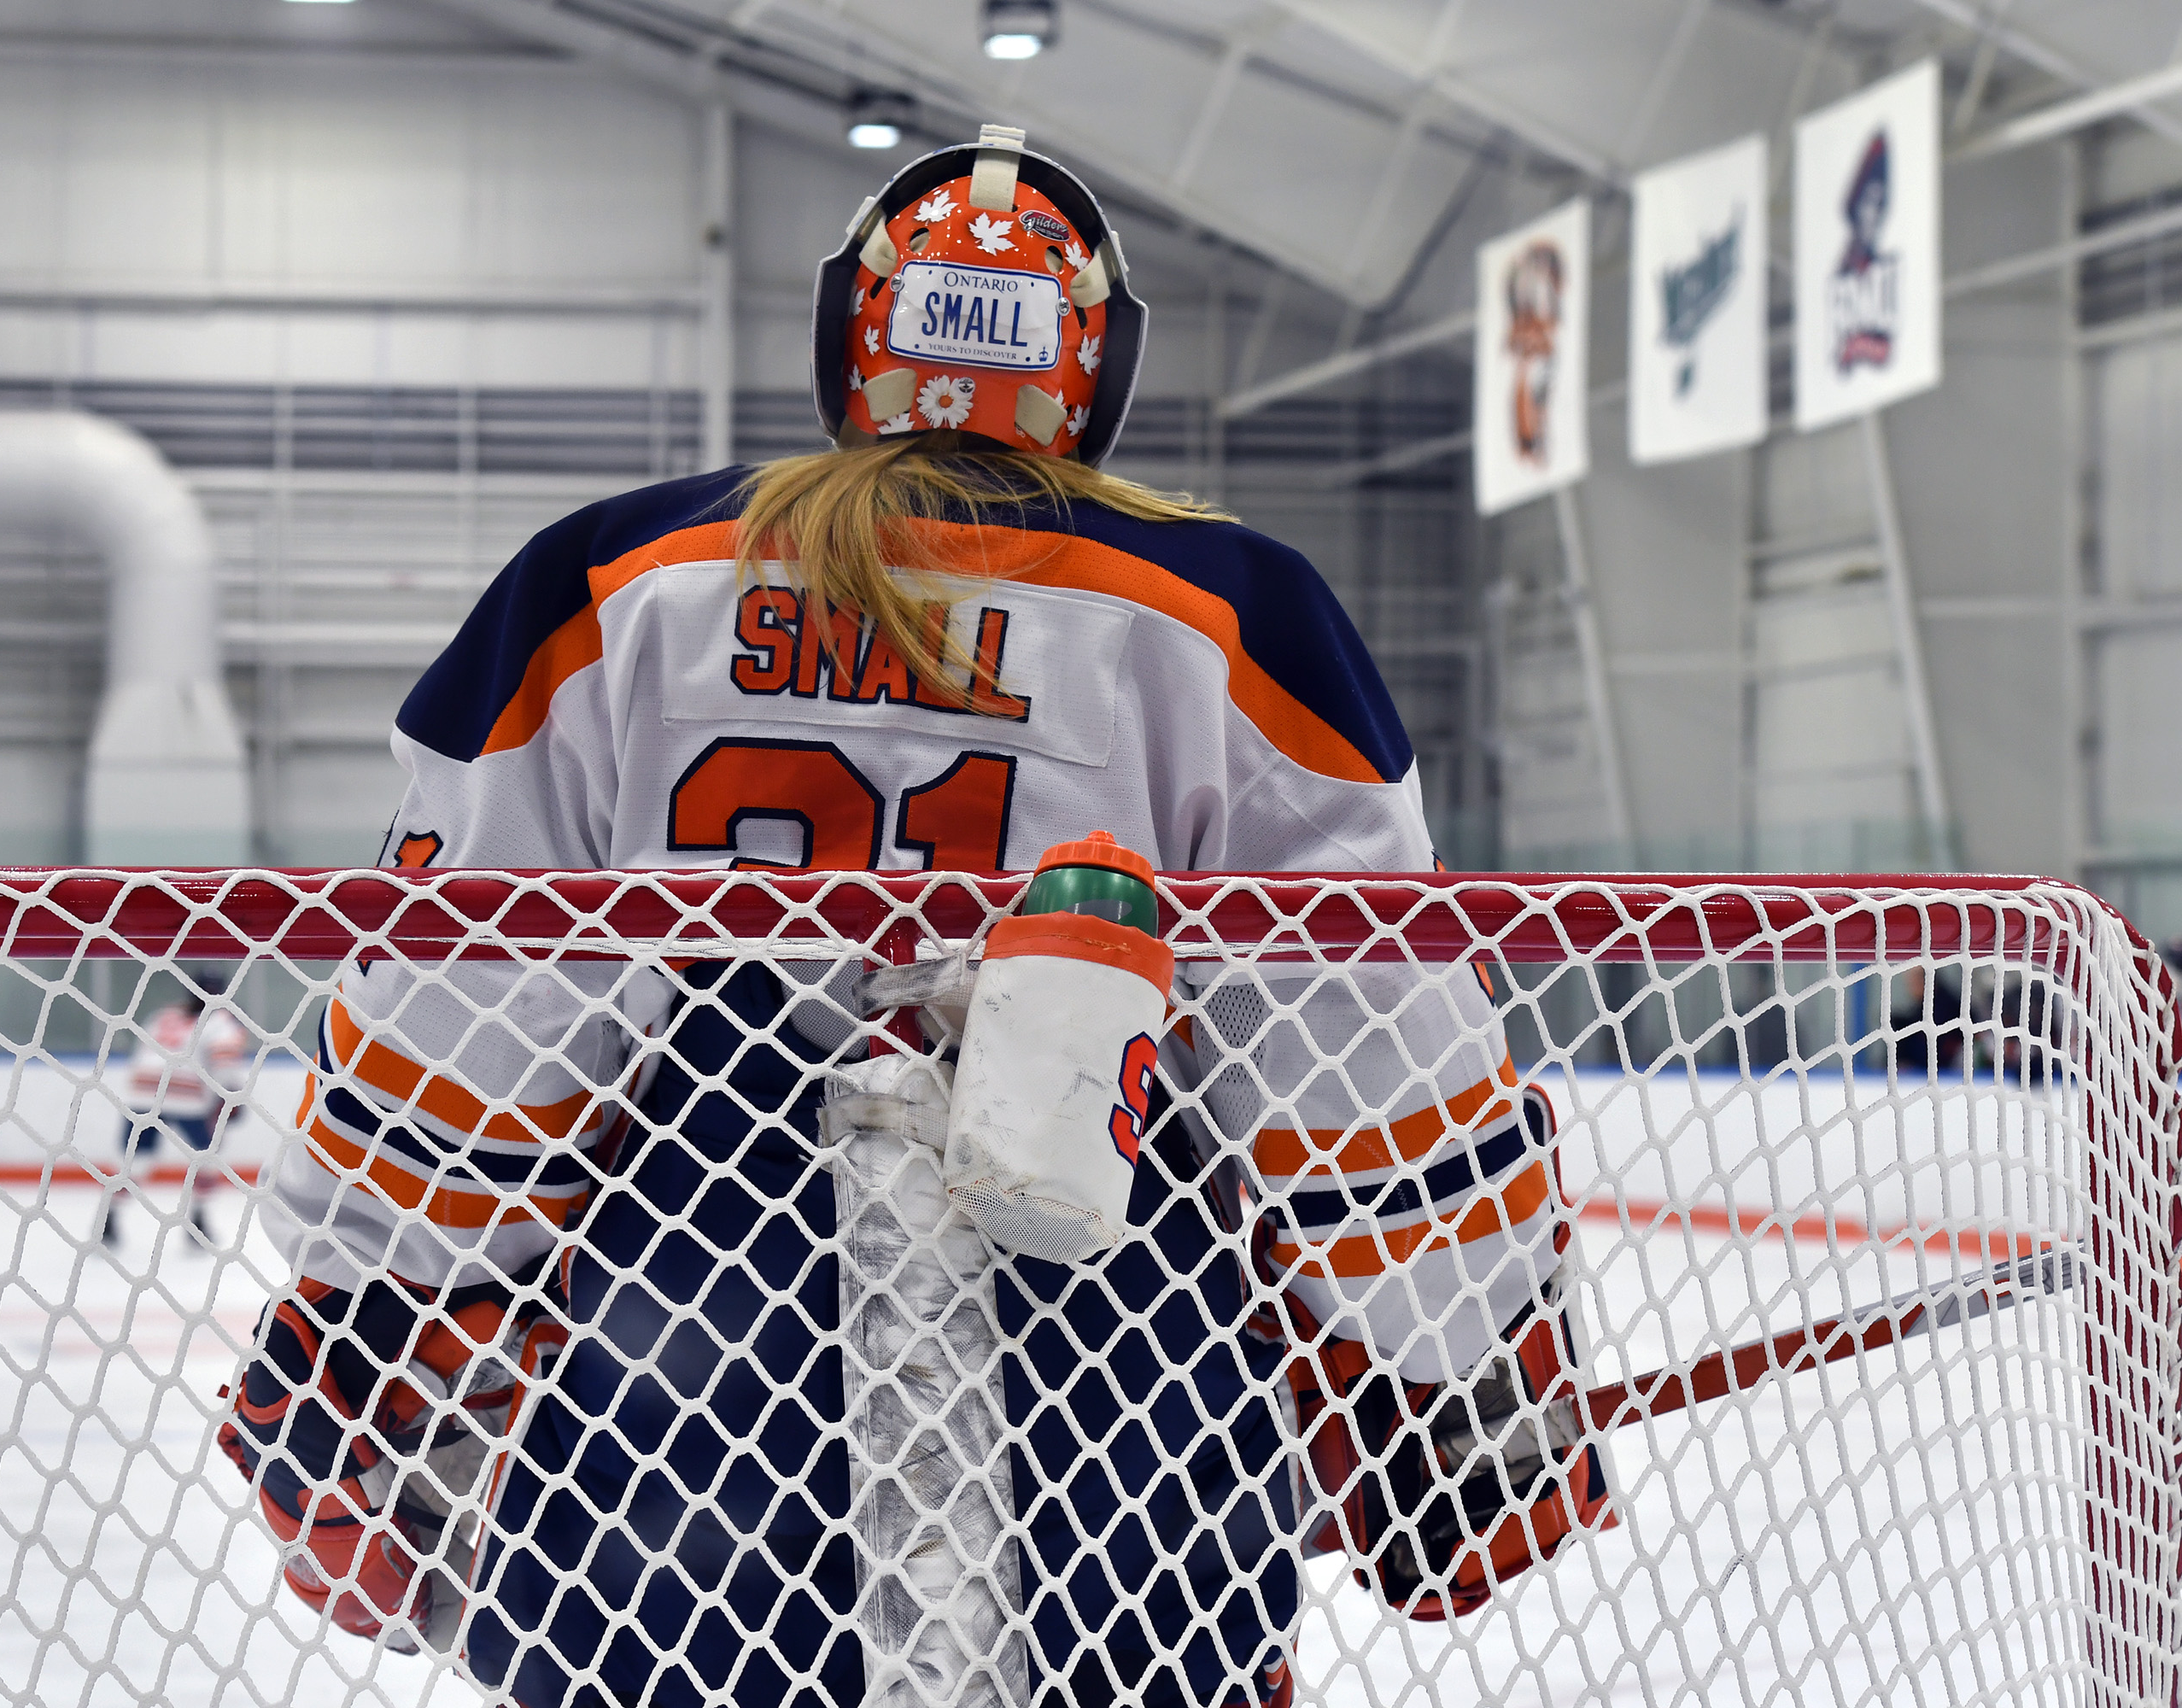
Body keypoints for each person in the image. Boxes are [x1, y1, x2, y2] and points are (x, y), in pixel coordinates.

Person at [218, 124, 1600, 1708]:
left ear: (844, 341)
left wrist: (374, 1341)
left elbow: (457, 1025)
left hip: (695, 1403)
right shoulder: (1238, 618)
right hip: (1118, 1416)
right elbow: (1364, 1057)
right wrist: (1451, 1381)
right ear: (1099, 371)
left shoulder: (605, 584)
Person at [105, 971, 250, 1251]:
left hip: (142, 1093)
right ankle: (198, 1221)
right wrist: (231, 1098)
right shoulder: (221, 1021)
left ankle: (108, 1220)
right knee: (207, 1158)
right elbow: (225, 1065)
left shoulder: (163, 1015)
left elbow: (140, 1053)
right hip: (187, 1096)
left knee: (135, 1162)